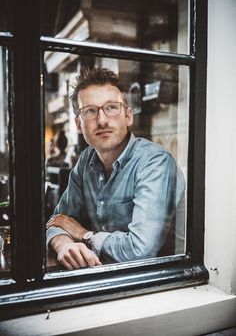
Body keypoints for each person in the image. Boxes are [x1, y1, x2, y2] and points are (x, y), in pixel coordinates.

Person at [46, 67, 185, 270]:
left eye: (111, 108)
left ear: (128, 116)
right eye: (90, 111)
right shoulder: (85, 160)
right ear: (78, 123)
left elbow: (140, 250)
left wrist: (85, 235)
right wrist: (64, 245)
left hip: (158, 283)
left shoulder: (154, 162)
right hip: (103, 276)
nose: (102, 120)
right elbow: (57, 221)